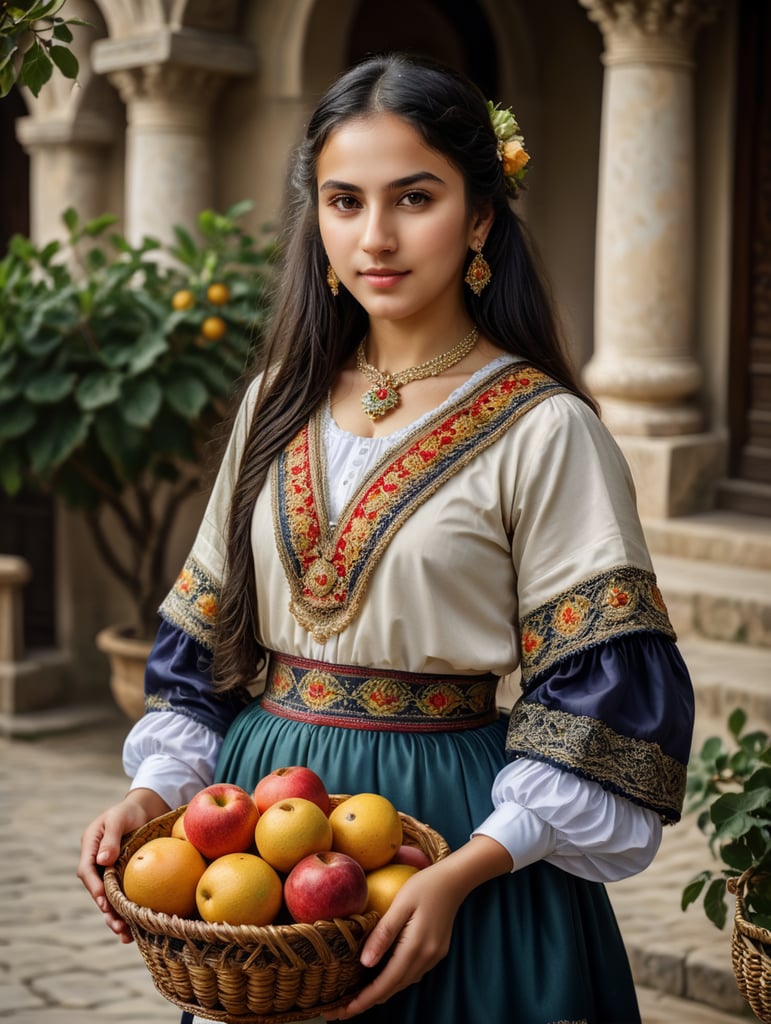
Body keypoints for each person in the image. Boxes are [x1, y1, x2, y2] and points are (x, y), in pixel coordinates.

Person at [78, 53, 694, 1024]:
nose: (376, 236)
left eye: (415, 197)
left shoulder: (547, 430)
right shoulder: (275, 404)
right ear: (316, 220)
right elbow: (205, 647)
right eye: (344, 201)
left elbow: (601, 698)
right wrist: (155, 794)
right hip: (260, 842)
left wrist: (461, 872)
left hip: (458, 837)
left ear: (479, 217)